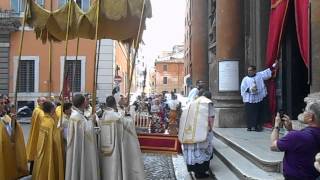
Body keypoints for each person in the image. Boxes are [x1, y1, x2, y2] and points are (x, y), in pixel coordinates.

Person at [98, 96, 145, 180]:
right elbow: (129, 125)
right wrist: (128, 113)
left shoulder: (104, 114)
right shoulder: (116, 117)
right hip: (116, 148)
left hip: (104, 149)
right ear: (115, 104)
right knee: (115, 167)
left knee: (106, 167)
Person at [270, 101, 320, 179]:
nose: (303, 113)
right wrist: (290, 130)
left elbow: (273, 146)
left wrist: (276, 125)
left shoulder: (296, 136)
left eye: (305, 110)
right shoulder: (300, 135)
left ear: (311, 117)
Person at [179, 91, 214, 178]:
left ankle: (196, 172)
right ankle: (201, 173)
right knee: (202, 152)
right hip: (202, 132)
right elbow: (211, 118)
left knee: (194, 152)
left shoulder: (192, 103)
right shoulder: (208, 104)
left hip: (191, 132)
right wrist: (210, 128)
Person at [65, 94, 99, 180]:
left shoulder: (76, 115)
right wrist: (92, 120)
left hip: (77, 146)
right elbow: (87, 131)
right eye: (86, 100)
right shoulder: (77, 116)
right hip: (80, 148)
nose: (87, 102)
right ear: (83, 103)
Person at [240, 62, 278, 131]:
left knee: (258, 113)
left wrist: (274, 65)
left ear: (254, 71)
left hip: (258, 97)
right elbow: (243, 88)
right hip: (250, 99)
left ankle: (257, 126)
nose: (249, 72)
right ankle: (249, 126)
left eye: (251, 70)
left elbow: (267, 72)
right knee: (250, 113)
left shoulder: (259, 75)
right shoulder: (245, 79)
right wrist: (250, 90)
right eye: (248, 71)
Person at [32, 101, 64, 180]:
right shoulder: (51, 122)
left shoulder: (43, 119)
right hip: (49, 150)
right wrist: (60, 131)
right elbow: (55, 138)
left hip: (41, 149)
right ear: (52, 109)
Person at [0, 95, 28, 179]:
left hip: (6, 151)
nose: (3, 105)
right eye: (1, 103)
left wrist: (13, 122)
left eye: (4, 103)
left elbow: (11, 134)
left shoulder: (6, 117)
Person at [26, 96, 46, 173]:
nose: (44, 102)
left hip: (38, 134)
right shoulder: (38, 111)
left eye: (45, 101)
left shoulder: (41, 110)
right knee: (35, 152)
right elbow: (43, 119)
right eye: (42, 101)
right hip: (37, 134)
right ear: (38, 102)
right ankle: (33, 172)